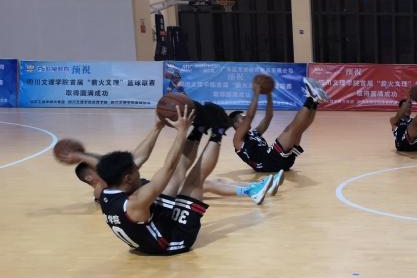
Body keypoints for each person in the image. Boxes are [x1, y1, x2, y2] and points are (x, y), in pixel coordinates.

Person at [58, 112, 279, 205]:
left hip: (152, 189)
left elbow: (137, 157)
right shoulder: (101, 190)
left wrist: (157, 127)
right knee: (202, 182)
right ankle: (251, 192)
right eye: (95, 168)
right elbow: (107, 164)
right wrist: (79, 155)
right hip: (155, 199)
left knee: (210, 180)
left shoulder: (112, 181)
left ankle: (256, 187)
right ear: (89, 178)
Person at [96, 103, 229, 254]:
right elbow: (168, 167)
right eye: (136, 171)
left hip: (150, 219)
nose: (138, 170)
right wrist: (182, 131)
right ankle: (219, 130)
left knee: (176, 173)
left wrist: (157, 127)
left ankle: (199, 129)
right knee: (193, 180)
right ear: (128, 179)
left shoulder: (108, 188)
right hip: (170, 240)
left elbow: (138, 157)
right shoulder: (136, 201)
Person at [230, 76, 328, 172]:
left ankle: (315, 102)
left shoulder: (254, 133)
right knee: (290, 129)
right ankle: (311, 99)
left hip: (283, 162)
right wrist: (256, 93)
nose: (245, 119)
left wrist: (269, 94)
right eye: (242, 118)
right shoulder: (237, 140)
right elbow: (249, 117)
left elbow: (268, 116)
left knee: (299, 130)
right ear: (235, 124)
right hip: (268, 163)